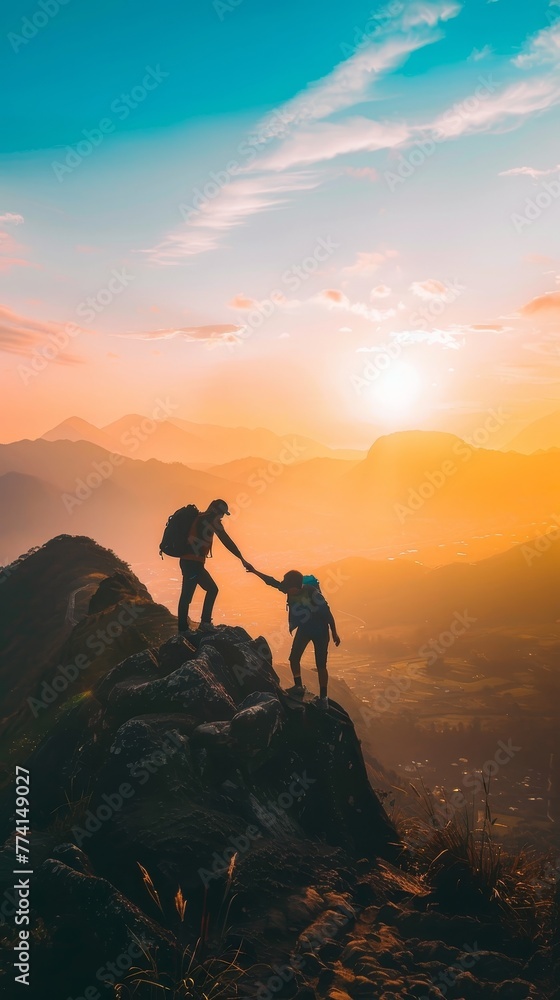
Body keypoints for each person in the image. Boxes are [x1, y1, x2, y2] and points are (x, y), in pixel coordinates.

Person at [244, 565, 340, 709]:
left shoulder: (313, 594)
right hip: (304, 629)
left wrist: (334, 633)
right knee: (294, 658)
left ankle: (324, 698)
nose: (285, 589)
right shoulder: (289, 587)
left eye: (287, 586)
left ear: (296, 587)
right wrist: (254, 571)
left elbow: (327, 614)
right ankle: (298, 686)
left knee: (321, 665)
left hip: (320, 631)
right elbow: (271, 582)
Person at [178, 499, 246, 631]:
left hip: (187, 561)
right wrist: (241, 558)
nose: (222, 517)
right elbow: (227, 541)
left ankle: (185, 627)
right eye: (222, 513)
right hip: (194, 563)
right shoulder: (212, 521)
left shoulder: (199, 517)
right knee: (210, 590)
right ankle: (201, 624)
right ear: (217, 511)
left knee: (187, 594)